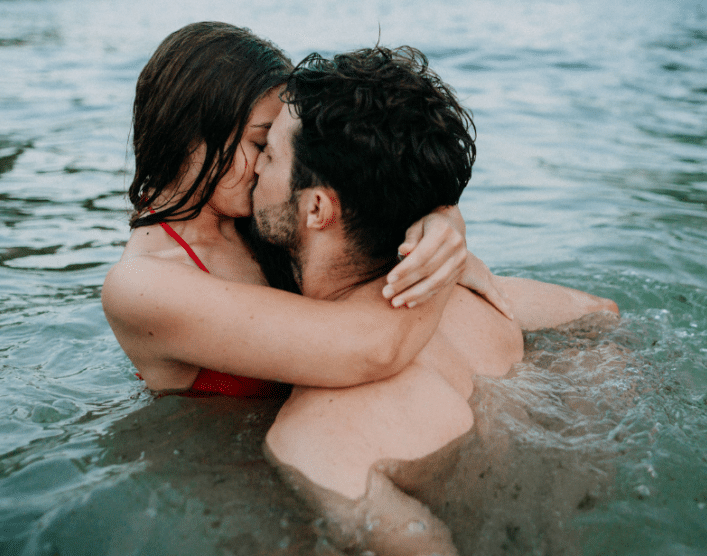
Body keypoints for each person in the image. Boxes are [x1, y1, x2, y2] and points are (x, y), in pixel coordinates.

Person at [256, 46, 619, 555]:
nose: (253, 169)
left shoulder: (317, 438)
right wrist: (577, 486)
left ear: (317, 207)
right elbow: (602, 317)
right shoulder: (482, 298)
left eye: (269, 154)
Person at [102, 22, 482, 399]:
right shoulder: (141, 285)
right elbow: (372, 349)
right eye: (259, 142)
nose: (269, 163)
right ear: (186, 134)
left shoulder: (258, 218)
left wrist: (441, 218)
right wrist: (437, 276)